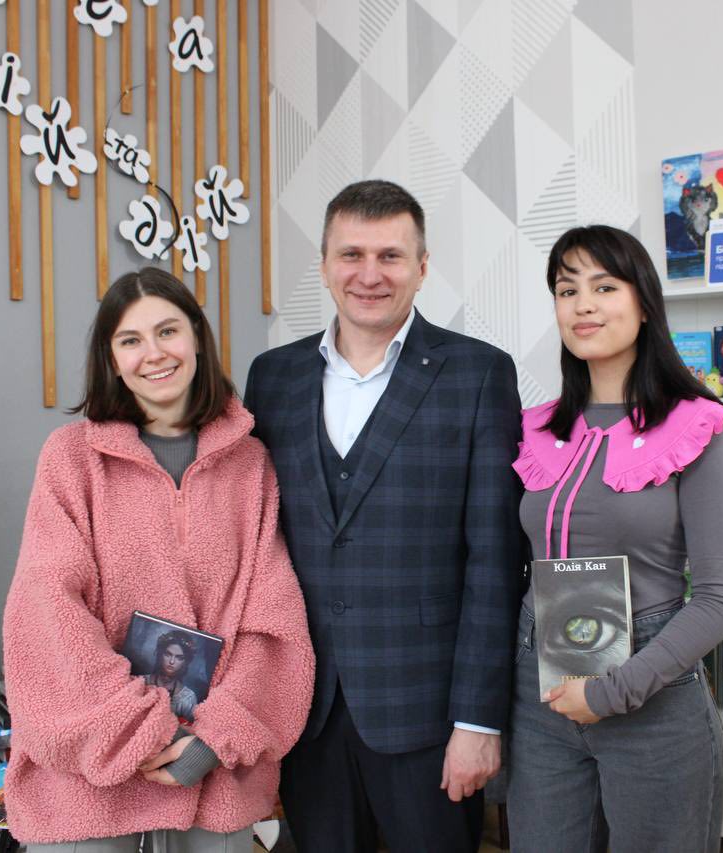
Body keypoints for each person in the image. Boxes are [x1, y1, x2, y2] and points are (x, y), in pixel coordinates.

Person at [244, 179, 524, 852]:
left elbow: (495, 561)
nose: (369, 274)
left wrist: (478, 721)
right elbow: (254, 542)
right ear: (324, 265)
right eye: (352, 254)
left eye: (390, 256)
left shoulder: (478, 374)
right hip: (305, 708)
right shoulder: (272, 377)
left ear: (422, 267)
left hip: (428, 714)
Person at [2, 268, 315, 851]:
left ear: (196, 335)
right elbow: (46, 614)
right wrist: (139, 730)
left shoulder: (251, 465)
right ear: (112, 358)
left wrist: (215, 738)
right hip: (88, 783)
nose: (154, 353)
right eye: (131, 339)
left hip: (211, 775)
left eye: (167, 331)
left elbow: (274, 623)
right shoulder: (70, 459)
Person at [506, 225, 723, 852]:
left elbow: (720, 599)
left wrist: (612, 691)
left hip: (651, 696)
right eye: (567, 290)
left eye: (605, 287)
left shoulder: (696, 428)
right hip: (540, 696)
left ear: (644, 304)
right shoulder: (534, 429)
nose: (583, 305)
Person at [141, 629, 201, 722]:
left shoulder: (188, 698)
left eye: (179, 658)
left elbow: (189, 727)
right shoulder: (141, 682)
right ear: (160, 654)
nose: (171, 662)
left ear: (185, 662)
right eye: (168, 654)